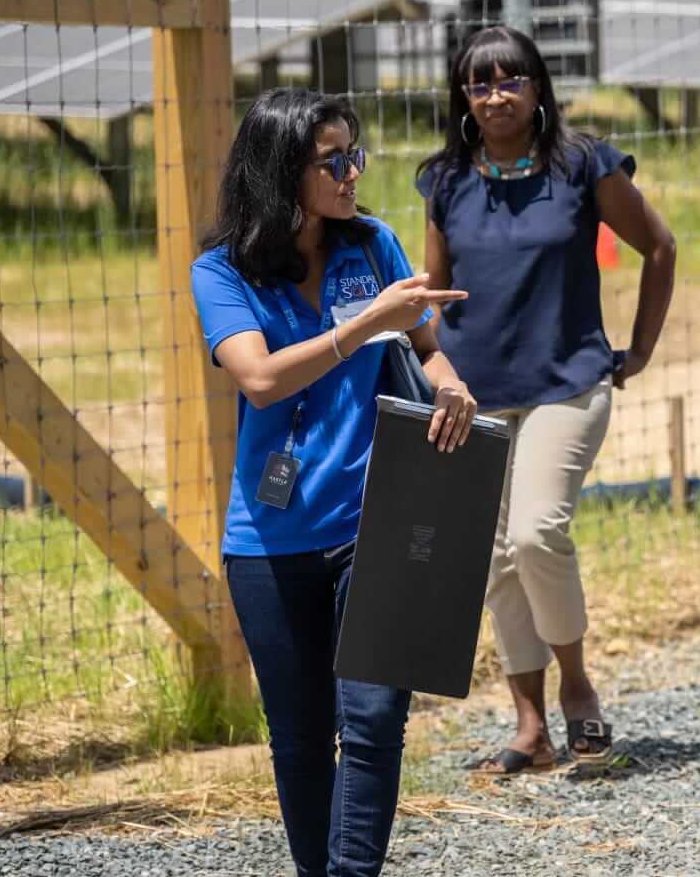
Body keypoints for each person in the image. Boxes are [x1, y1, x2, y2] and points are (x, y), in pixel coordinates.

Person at [192, 87, 476, 876]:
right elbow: (259, 380)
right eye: (333, 160)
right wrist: (361, 326)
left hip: (375, 523)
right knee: (302, 735)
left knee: (378, 717)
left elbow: (425, 347)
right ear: (282, 172)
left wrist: (450, 384)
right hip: (270, 540)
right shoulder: (219, 273)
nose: (353, 171)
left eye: (356, 153)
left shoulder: (373, 244)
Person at [416, 26, 675, 775]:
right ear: (462, 97)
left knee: (535, 533)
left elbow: (659, 246)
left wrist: (643, 347)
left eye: (511, 80)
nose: (496, 96)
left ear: (538, 87)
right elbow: (434, 298)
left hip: (569, 382)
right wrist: (436, 377)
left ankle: (577, 686)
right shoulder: (444, 181)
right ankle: (528, 726)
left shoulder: (583, 164)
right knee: (494, 559)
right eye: (479, 83)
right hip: (476, 394)